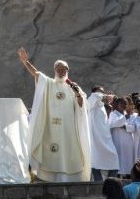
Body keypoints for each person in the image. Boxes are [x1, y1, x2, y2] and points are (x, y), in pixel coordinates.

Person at [17, 47, 91, 182]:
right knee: (50, 150)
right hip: (51, 128)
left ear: (68, 71)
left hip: (69, 129)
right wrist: (26, 62)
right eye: (58, 68)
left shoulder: (74, 87)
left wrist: (77, 94)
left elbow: (81, 106)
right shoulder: (49, 83)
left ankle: (68, 179)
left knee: (69, 152)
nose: (61, 71)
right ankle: (49, 178)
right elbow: (37, 74)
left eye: (64, 69)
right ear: (55, 70)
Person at [88, 87, 120, 181]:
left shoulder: (103, 106)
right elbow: (95, 97)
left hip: (106, 139)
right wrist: (106, 96)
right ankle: (99, 183)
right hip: (96, 139)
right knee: (95, 162)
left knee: (114, 160)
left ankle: (110, 183)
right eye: (99, 92)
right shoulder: (91, 103)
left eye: (103, 92)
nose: (101, 94)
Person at [110, 97, 136, 179]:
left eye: (125, 103)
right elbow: (113, 123)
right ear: (117, 105)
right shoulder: (113, 114)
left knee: (128, 163)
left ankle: (128, 177)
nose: (124, 105)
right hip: (118, 142)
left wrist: (125, 126)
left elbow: (134, 127)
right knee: (119, 163)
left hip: (128, 143)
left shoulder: (128, 115)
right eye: (122, 103)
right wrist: (124, 119)